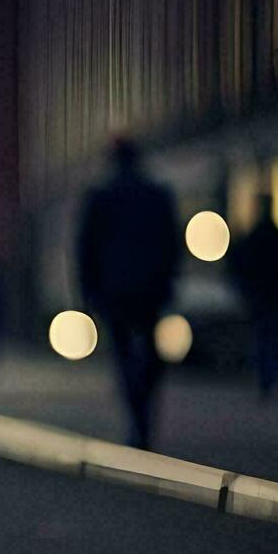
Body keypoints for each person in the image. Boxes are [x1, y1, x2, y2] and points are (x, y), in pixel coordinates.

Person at [77, 139, 180, 449]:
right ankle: (144, 408)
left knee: (123, 354)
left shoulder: (100, 197)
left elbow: (86, 248)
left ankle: (136, 414)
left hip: (115, 290)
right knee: (150, 352)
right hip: (151, 288)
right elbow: (172, 243)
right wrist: (168, 281)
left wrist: (88, 290)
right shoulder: (158, 195)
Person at [234, 196, 278, 399]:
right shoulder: (273, 235)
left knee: (262, 338)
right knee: (270, 338)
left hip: (261, 295)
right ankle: (269, 379)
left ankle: (265, 380)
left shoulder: (257, 235)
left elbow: (243, 265)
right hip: (270, 295)